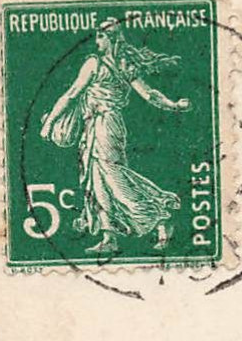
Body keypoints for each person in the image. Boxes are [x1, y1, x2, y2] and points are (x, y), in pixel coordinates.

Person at [38, 17, 191, 254]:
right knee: (96, 179)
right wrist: (173, 105)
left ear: (110, 38)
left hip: (106, 125)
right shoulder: (122, 65)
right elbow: (149, 94)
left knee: (112, 177)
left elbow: (71, 94)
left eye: (100, 36)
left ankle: (160, 217)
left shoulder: (97, 64)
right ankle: (109, 236)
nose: (96, 40)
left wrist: (49, 122)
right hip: (95, 126)